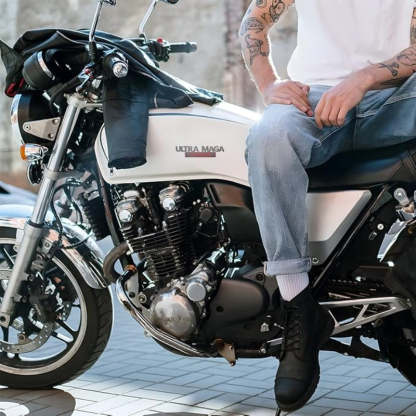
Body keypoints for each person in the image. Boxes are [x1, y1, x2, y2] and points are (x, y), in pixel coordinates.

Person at [240, 0, 416, 412]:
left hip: (393, 99)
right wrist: (269, 86)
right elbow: (254, 20)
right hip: (312, 101)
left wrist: (362, 78)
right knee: (268, 139)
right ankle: (298, 307)